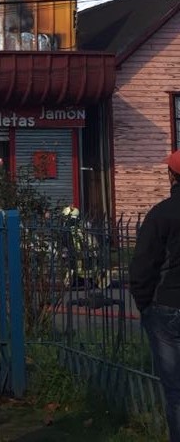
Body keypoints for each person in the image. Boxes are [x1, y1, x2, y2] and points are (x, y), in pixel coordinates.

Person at [129, 150, 180, 441]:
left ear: (171, 176)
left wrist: (145, 305)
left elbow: (142, 266)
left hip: (167, 306)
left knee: (176, 390)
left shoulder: (161, 214)